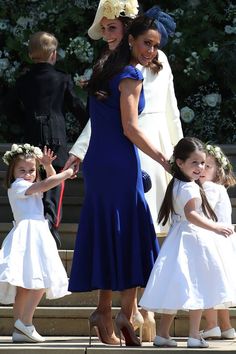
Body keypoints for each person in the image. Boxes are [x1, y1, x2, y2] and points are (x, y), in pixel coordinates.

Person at [63, 1, 183, 341]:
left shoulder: (105, 67)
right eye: (147, 42)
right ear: (132, 40)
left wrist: (81, 153)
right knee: (130, 233)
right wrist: (164, 158)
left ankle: (114, 313)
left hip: (103, 161)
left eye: (156, 45)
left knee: (114, 232)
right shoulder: (129, 74)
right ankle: (118, 314)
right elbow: (130, 127)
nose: (151, 50)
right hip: (120, 159)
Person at [139, 137, 235, 348]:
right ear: (180, 163)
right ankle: (193, 335)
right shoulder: (190, 187)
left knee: (176, 287)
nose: (200, 167)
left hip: (178, 240)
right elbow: (191, 215)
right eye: (195, 163)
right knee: (197, 287)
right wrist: (216, 227)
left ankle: (163, 334)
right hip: (193, 240)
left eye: (202, 163)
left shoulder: (178, 183)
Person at [2, 31, 89, 248]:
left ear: (32, 55)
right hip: (57, 140)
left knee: (33, 182)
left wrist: (25, 120)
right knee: (55, 184)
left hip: (31, 140)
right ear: (53, 54)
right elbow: (78, 108)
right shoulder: (62, 79)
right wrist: (89, 125)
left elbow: (7, 107)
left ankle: (39, 225)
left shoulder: (24, 80)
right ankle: (51, 225)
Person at [0, 143, 74, 343]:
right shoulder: (18, 186)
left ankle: (19, 329)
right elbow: (45, 185)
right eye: (22, 170)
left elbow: (50, 182)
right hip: (29, 234)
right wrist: (66, 173)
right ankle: (25, 322)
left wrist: (48, 166)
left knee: (25, 286)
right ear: (13, 171)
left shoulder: (30, 184)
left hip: (35, 232)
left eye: (32, 170)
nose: (27, 174)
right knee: (41, 280)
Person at [199, 144, 236, 340]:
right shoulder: (219, 189)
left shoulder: (209, 188)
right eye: (201, 164)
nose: (202, 170)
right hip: (223, 242)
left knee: (209, 286)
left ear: (218, 171)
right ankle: (226, 326)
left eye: (208, 166)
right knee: (220, 288)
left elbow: (203, 214)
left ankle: (212, 325)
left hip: (212, 242)